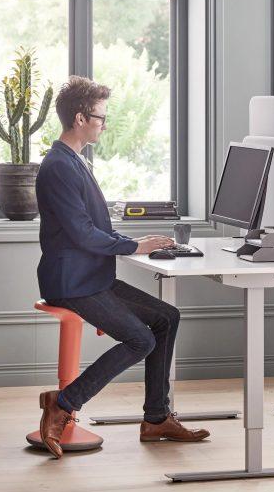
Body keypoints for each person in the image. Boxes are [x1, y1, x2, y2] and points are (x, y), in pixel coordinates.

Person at [35, 75, 209, 459]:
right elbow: (82, 233)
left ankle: (157, 418)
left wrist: (135, 243)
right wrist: (133, 246)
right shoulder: (59, 166)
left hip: (92, 277)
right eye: (100, 117)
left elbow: (92, 226)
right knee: (141, 340)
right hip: (72, 282)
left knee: (167, 318)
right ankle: (63, 404)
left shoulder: (75, 161)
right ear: (80, 118)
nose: (104, 124)